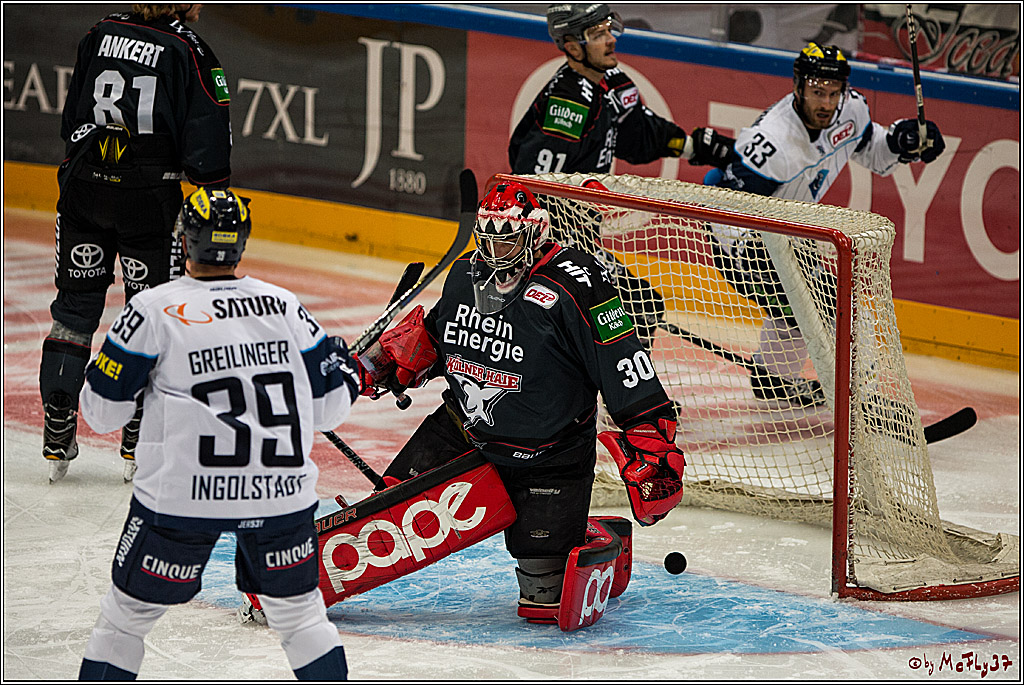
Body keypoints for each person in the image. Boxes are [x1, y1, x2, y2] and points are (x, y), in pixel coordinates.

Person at [357, 180, 686, 621]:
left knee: (544, 600)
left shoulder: (578, 287)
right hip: (464, 431)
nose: (494, 252)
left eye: (506, 240)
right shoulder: (463, 273)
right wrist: (386, 361)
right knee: (382, 521)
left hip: (550, 452)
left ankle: (594, 537)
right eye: (488, 239)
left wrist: (650, 439)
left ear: (534, 235)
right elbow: (437, 338)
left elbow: (623, 361)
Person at [77, 189, 357, 680]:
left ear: (183, 240)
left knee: (125, 622)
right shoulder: (284, 306)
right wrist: (346, 370)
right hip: (279, 497)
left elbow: (100, 414)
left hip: (182, 500)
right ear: (241, 244)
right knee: (300, 618)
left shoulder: (153, 309)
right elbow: (330, 410)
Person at [41, 3, 232, 484]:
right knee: (149, 317)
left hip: (84, 188)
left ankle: (58, 422)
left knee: (74, 310)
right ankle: (138, 434)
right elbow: (208, 150)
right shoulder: (190, 48)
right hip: (149, 199)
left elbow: (71, 121)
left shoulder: (100, 30)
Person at [706, 42, 946, 406]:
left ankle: (775, 382)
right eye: (818, 92)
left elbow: (872, 149)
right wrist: (752, 253)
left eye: (834, 93)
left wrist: (902, 142)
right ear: (798, 86)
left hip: (790, 232)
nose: (826, 103)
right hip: (742, 239)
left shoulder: (851, 110)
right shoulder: (771, 142)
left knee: (795, 306)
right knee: (831, 307)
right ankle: (862, 403)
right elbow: (726, 204)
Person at [509, 3, 735, 176]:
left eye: (608, 30)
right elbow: (533, 184)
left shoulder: (613, 82)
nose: (611, 41)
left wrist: (695, 147)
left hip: (583, 224)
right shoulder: (568, 106)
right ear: (574, 49)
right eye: (598, 35)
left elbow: (640, 136)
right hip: (553, 228)